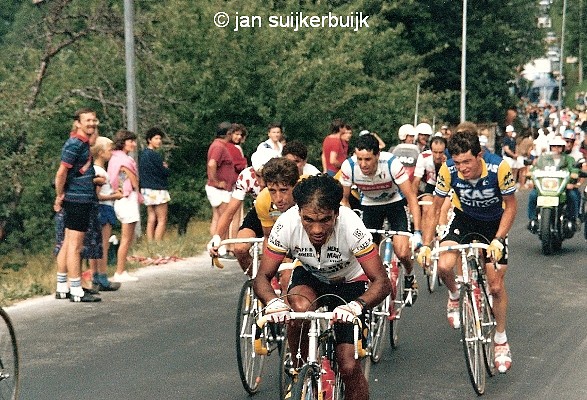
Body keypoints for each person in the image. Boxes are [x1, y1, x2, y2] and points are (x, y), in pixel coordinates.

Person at [254, 174, 391, 400]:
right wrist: (274, 303)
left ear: (336, 213)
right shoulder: (286, 223)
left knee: (348, 365)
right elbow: (262, 277)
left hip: (350, 283)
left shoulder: (352, 227)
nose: (317, 229)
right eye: (308, 220)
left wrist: (357, 306)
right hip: (310, 276)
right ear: (298, 213)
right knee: (298, 307)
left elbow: (381, 282)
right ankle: (300, 371)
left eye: (325, 220)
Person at [417, 128, 517, 373]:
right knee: (443, 265)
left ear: (479, 155)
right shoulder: (448, 170)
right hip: (464, 220)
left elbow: (511, 207)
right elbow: (434, 206)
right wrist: (426, 244)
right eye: (458, 162)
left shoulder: (499, 168)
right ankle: (454, 296)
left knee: (495, 285)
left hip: (494, 223)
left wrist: (499, 239)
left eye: (467, 162)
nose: (462, 168)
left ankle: (501, 340)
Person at [340, 133, 423, 305]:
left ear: (377, 155)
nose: (363, 164)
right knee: (369, 258)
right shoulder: (349, 167)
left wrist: (417, 232)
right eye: (360, 159)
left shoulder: (391, 164)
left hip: (395, 205)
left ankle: (409, 275)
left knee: (402, 252)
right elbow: (344, 200)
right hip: (370, 207)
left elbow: (411, 198)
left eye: (368, 159)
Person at [53, 108, 101, 302]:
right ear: (77, 123)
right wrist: (59, 195)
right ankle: (76, 290)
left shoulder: (81, 142)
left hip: (78, 197)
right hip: (77, 198)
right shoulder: (75, 144)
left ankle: (62, 286)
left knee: (67, 243)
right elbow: (61, 172)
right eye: (87, 121)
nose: (91, 123)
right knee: (75, 246)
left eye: (94, 120)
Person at [208, 148, 275, 273]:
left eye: (266, 177)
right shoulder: (246, 176)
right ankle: (256, 283)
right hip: (260, 211)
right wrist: (217, 238)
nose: (261, 183)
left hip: (281, 213)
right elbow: (229, 212)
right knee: (239, 249)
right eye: (258, 176)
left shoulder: (284, 176)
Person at [90, 136, 123, 291]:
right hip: (104, 208)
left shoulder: (94, 169)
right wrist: (114, 196)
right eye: (109, 150)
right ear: (101, 152)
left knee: (95, 244)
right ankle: (102, 276)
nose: (111, 153)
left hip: (99, 209)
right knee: (103, 244)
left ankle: (95, 275)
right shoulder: (100, 172)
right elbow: (97, 195)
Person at [527, 135, 581, 231]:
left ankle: (573, 219)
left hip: (562, 188)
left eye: (559, 146)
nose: (556, 148)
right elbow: (535, 168)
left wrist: (573, 178)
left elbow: (574, 169)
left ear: (563, 148)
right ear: (550, 147)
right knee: (533, 195)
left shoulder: (569, 159)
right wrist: (531, 174)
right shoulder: (543, 159)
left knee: (572, 196)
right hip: (545, 188)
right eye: (554, 146)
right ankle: (533, 219)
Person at [108, 129, 141, 283]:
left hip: (123, 198)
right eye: (130, 141)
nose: (133, 144)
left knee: (128, 237)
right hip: (127, 198)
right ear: (123, 142)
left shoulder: (115, 159)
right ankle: (120, 271)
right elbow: (132, 179)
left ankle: (122, 269)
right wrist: (135, 186)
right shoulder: (124, 161)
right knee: (127, 237)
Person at [205, 122, 238, 239]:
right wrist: (216, 181)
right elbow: (212, 163)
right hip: (219, 189)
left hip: (220, 189)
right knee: (224, 218)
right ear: (228, 133)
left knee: (218, 217)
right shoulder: (219, 147)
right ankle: (221, 247)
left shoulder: (218, 145)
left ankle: (216, 245)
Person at [412, 136, 447, 241]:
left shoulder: (450, 157)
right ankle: (425, 240)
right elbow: (417, 180)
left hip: (446, 185)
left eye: (440, 152)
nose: (437, 156)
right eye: (435, 152)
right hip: (431, 185)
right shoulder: (423, 156)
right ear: (431, 150)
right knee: (427, 209)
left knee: (443, 210)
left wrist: (444, 163)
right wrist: (412, 199)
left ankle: (442, 235)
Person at [139, 127, 170, 242]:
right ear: (149, 140)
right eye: (156, 138)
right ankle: (158, 243)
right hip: (158, 189)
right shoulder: (155, 155)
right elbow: (164, 172)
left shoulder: (143, 155)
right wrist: (165, 168)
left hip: (146, 189)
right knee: (162, 219)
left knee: (151, 217)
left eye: (159, 138)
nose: (159, 141)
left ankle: (150, 242)